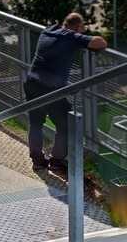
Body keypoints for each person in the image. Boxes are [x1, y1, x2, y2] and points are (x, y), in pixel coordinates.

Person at [24, 13, 107, 173]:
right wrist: (81, 36)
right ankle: (57, 161)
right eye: (81, 28)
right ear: (77, 27)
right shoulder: (72, 37)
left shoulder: (48, 31)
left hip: (32, 82)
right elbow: (100, 42)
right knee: (66, 125)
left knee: (36, 123)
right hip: (52, 88)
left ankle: (37, 161)